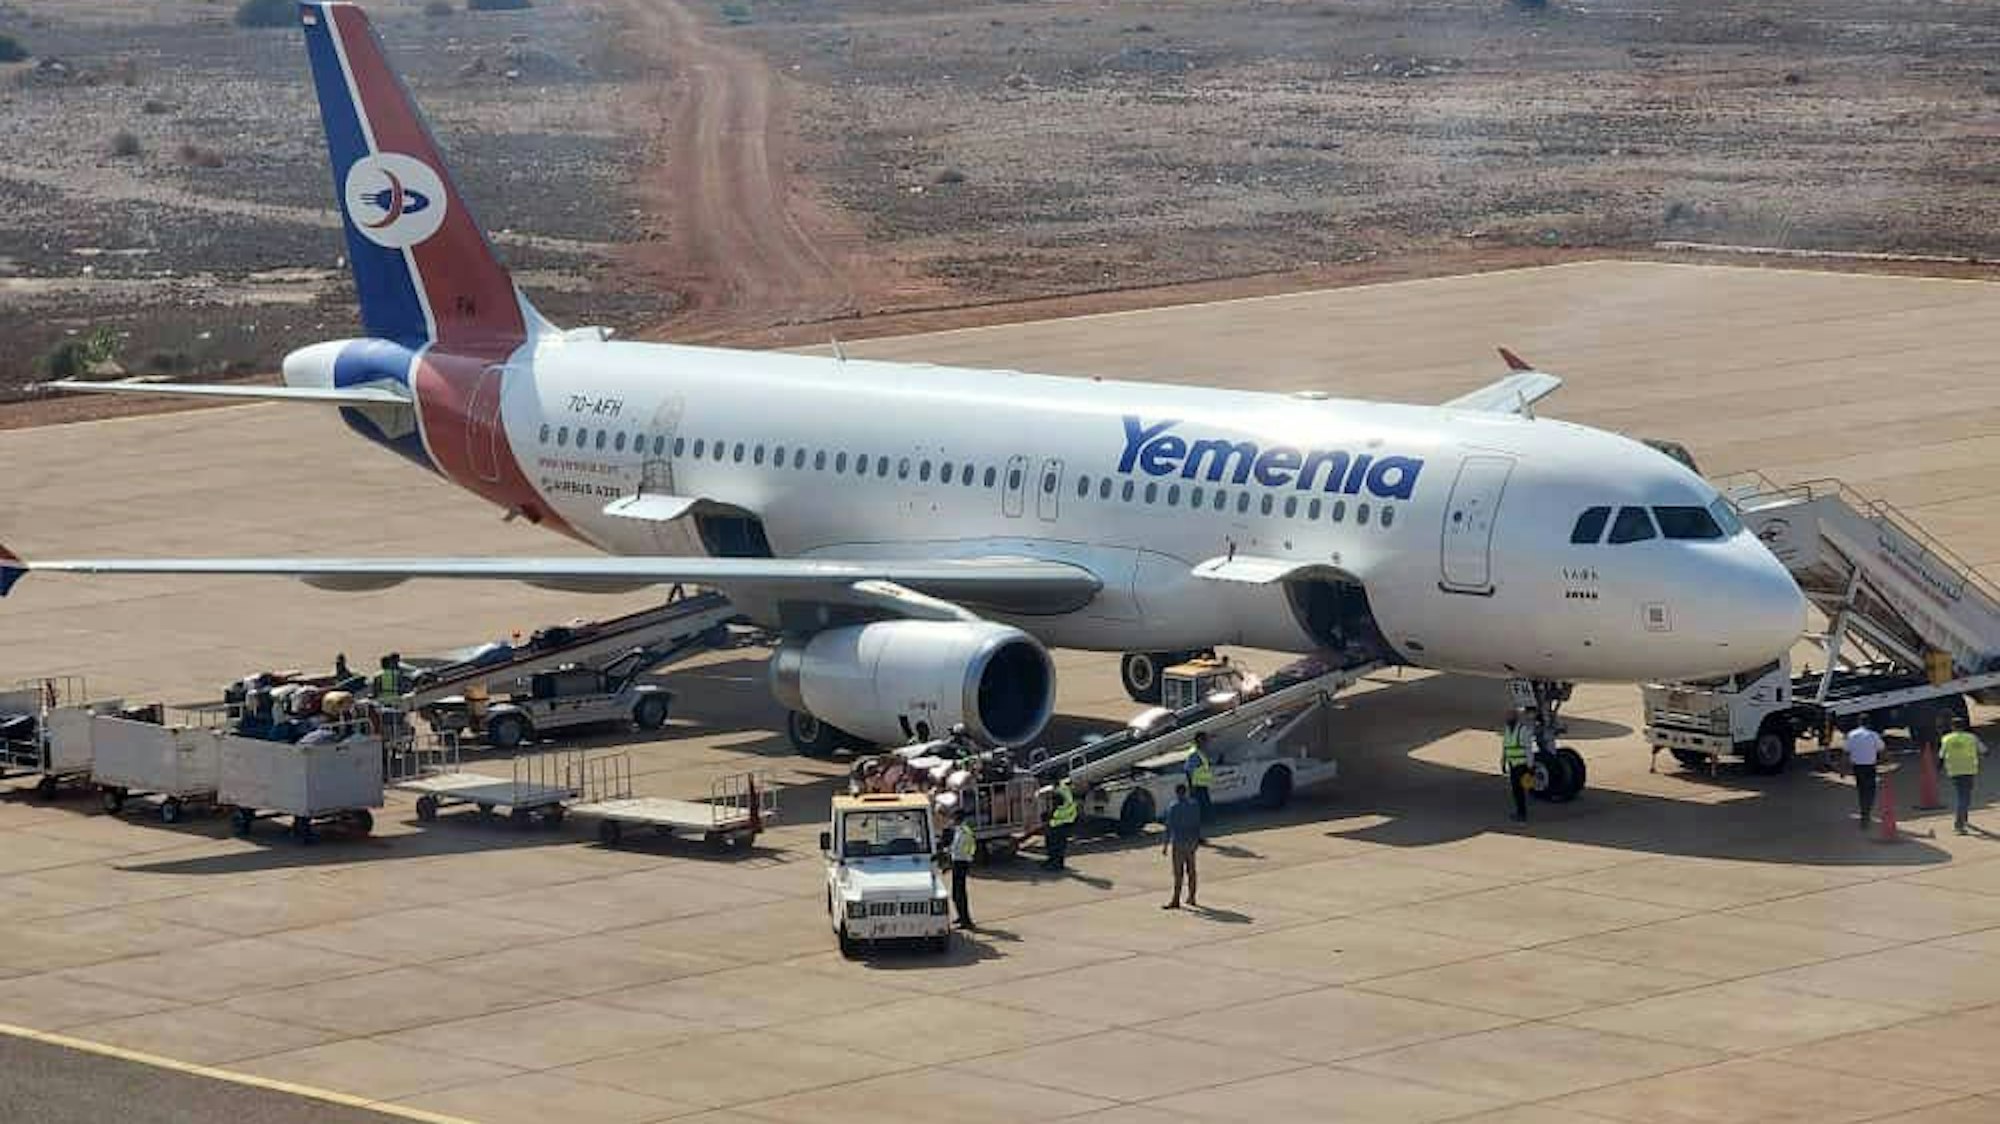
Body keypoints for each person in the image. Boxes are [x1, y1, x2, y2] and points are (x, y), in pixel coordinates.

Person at [1940, 714, 1987, 835]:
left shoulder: (1946, 739)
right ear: (1964, 726)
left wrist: (1938, 769)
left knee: (1962, 795)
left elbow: (1941, 755)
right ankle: (1959, 824)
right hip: (1969, 770)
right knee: (1965, 797)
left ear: (1952, 727)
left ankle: (1963, 819)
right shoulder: (1972, 737)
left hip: (1954, 771)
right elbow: (1984, 751)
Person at [1162, 782, 1202, 910]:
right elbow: (1198, 823)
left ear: (1176, 793)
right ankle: (1192, 897)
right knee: (1192, 871)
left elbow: (1169, 827)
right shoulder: (1194, 805)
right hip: (1191, 841)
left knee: (1178, 873)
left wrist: (1165, 845)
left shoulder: (1173, 806)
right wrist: (1197, 840)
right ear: (1186, 792)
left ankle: (1176, 899)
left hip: (1179, 842)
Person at [1842, 719, 1884, 830]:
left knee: (1862, 791)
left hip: (1857, 767)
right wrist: (1885, 763)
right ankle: (1866, 813)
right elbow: (1882, 750)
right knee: (1870, 791)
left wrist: (1843, 769)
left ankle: (1864, 814)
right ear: (1869, 723)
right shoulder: (1873, 735)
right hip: (1870, 767)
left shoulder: (1851, 734)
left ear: (1859, 723)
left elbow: (1846, 753)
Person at [946, 806, 978, 929]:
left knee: (959, 894)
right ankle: (961, 916)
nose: (952, 820)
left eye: (953, 817)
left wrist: (946, 851)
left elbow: (957, 848)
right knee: (956, 893)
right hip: (959, 862)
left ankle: (966, 921)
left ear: (958, 818)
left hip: (961, 863)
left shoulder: (964, 831)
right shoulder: (960, 829)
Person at [1182, 732, 1214, 842]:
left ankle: (1196, 836)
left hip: (1201, 785)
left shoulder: (1200, 752)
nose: (1207, 742)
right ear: (1199, 741)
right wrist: (1193, 786)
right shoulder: (1194, 753)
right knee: (1196, 813)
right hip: (1197, 787)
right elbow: (1189, 769)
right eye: (1205, 740)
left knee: (1200, 812)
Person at [1042, 775, 1078, 870]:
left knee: (1055, 844)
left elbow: (1057, 808)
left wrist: (1049, 815)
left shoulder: (1059, 792)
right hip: (1064, 820)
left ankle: (1055, 864)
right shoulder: (1063, 788)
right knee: (1058, 843)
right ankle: (1055, 862)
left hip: (1059, 821)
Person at [1502, 709, 1532, 822]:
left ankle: (1522, 813)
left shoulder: (1522, 730)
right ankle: (1520, 812)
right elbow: (1505, 747)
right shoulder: (1507, 730)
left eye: (1509, 717)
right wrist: (1503, 762)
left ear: (1515, 718)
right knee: (1516, 790)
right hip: (1512, 764)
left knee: (1520, 790)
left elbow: (1528, 749)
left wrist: (1530, 766)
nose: (1507, 719)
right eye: (1507, 717)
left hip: (1521, 764)